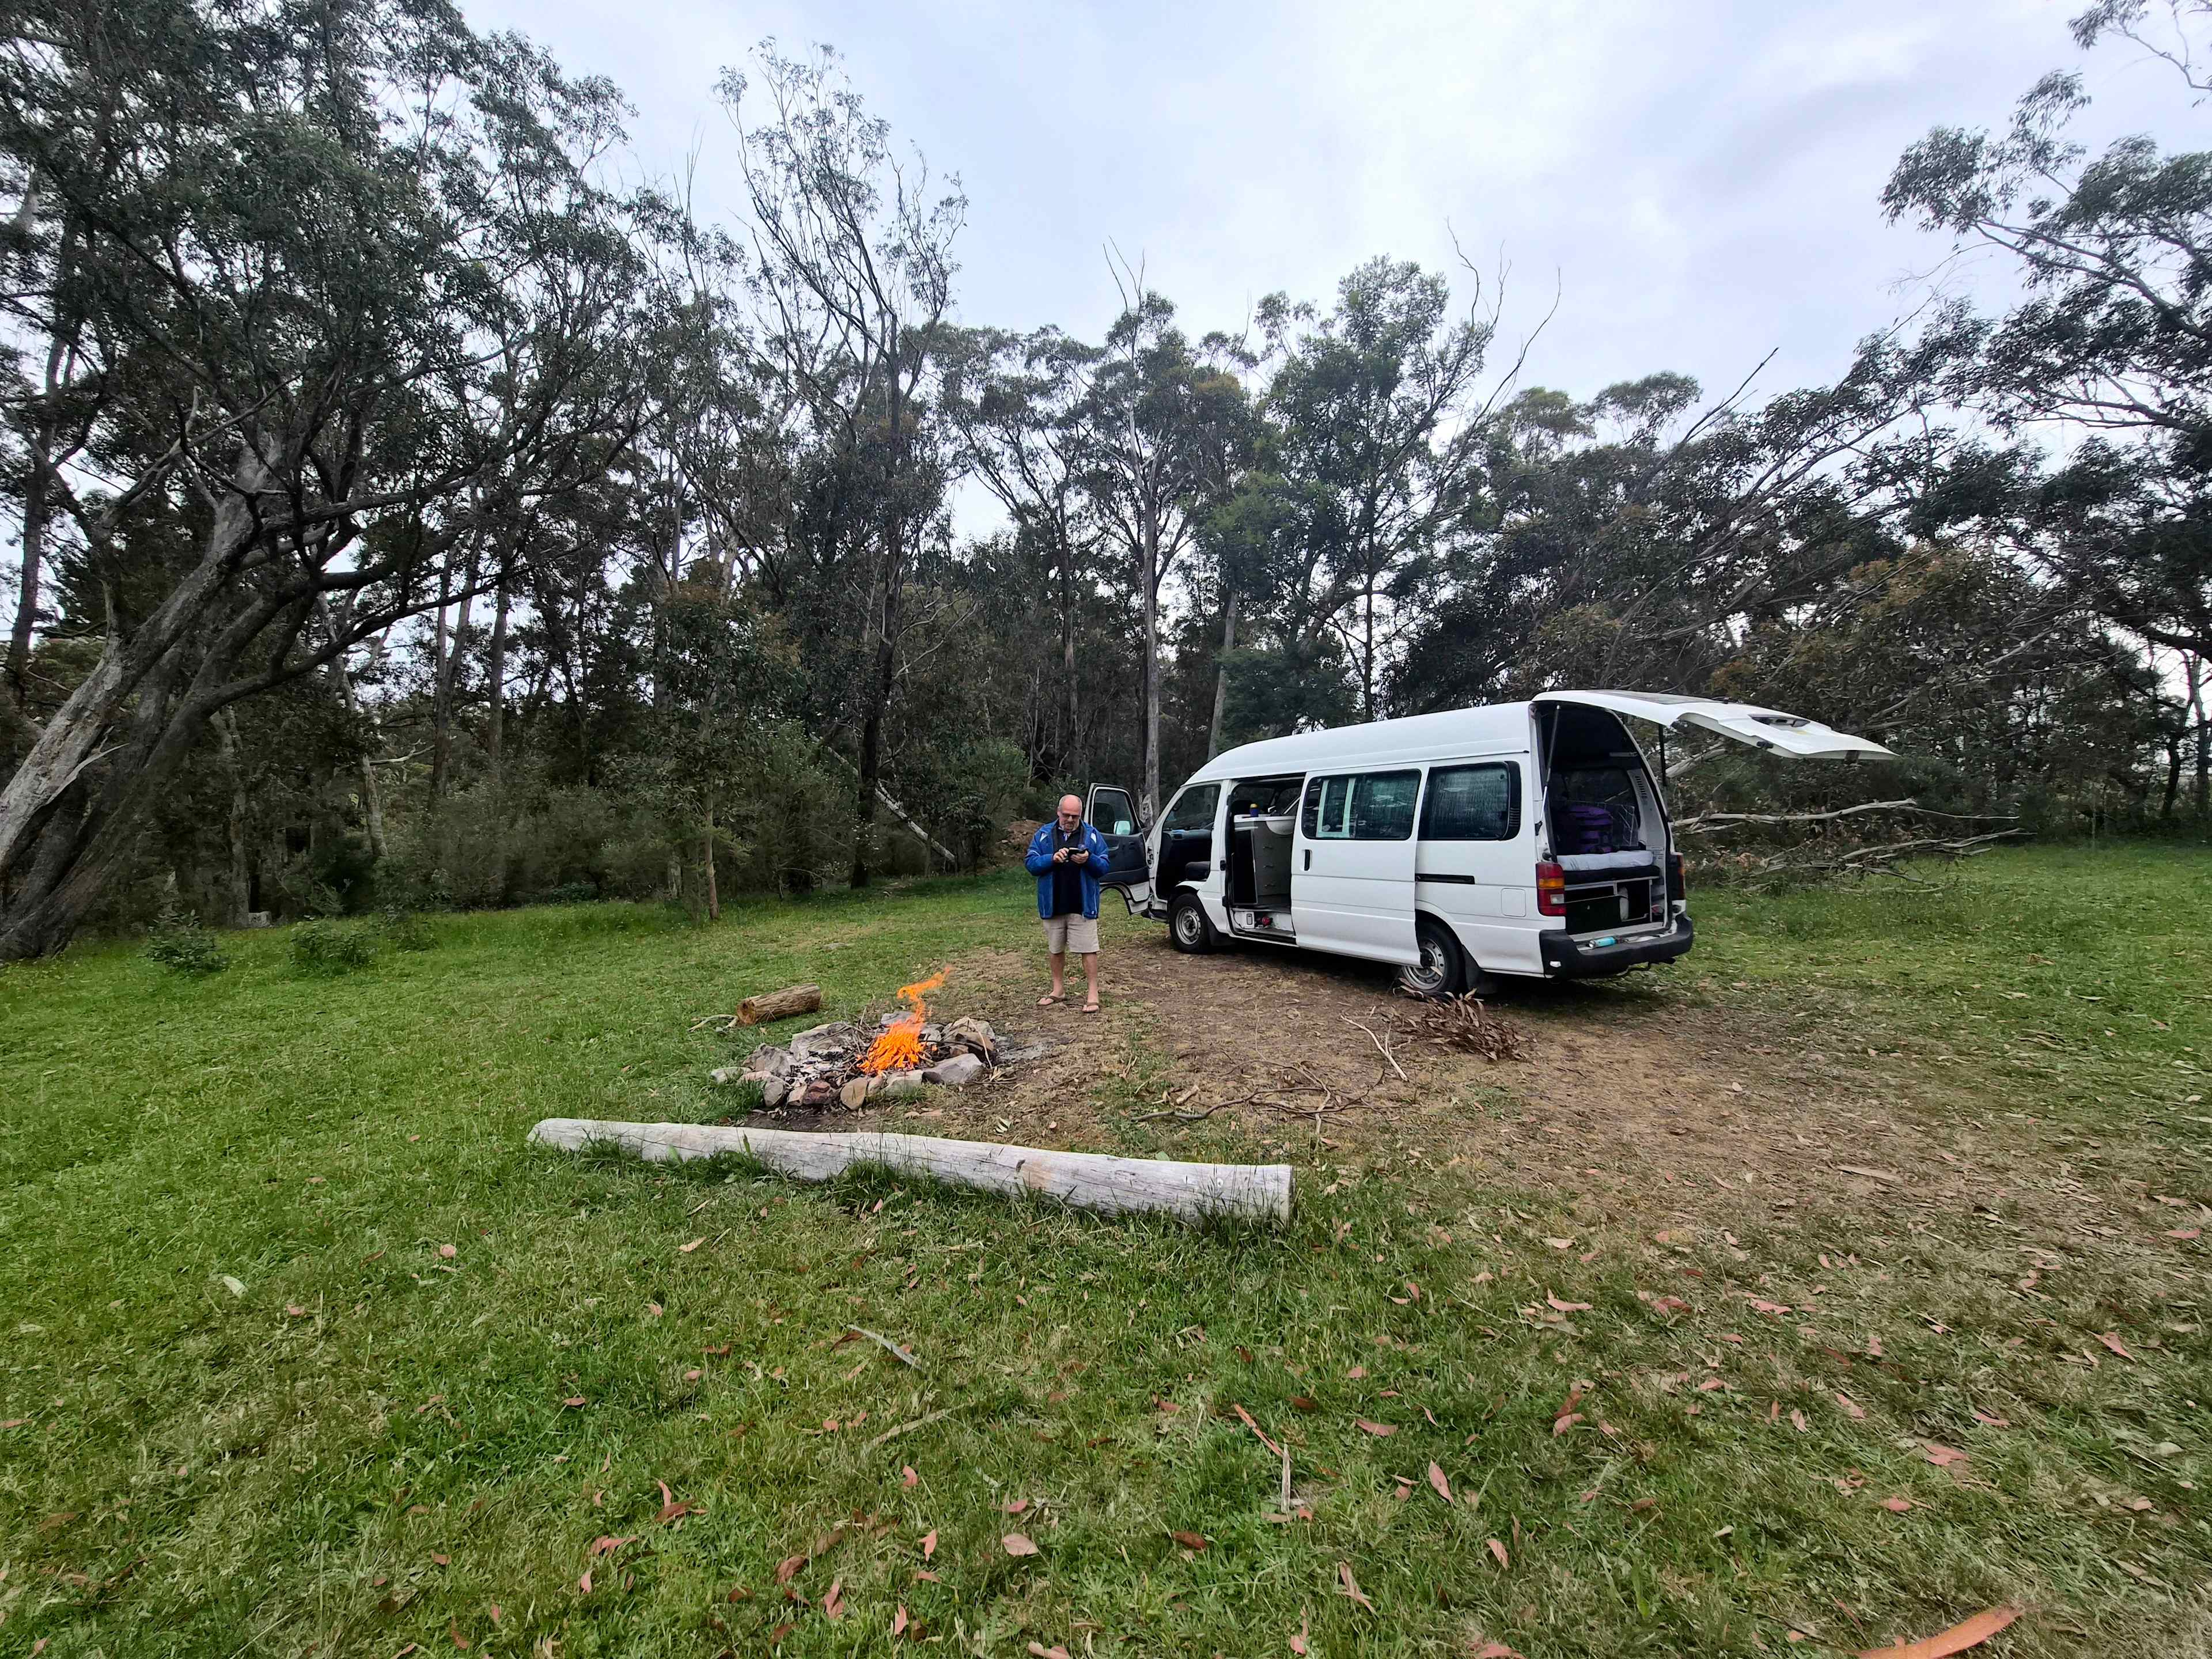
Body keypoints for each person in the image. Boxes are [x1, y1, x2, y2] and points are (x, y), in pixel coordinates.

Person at [1024, 794, 1109, 1014]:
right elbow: (1031, 864)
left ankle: (1093, 995)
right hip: (1053, 903)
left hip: (1083, 904)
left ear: (1081, 815)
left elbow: (1104, 866)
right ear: (1058, 812)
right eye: (1066, 815)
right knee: (1055, 949)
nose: (1070, 820)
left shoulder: (1092, 835)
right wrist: (1052, 859)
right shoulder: (1044, 834)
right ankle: (1058, 990)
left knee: (1089, 950)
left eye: (1075, 816)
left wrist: (1089, 859)